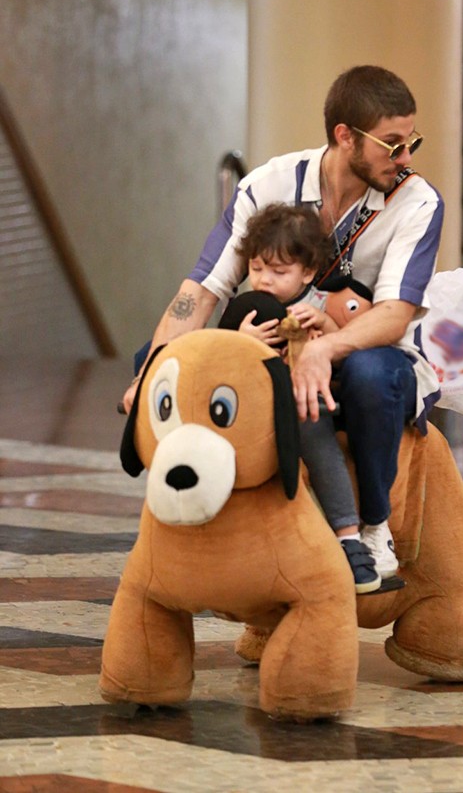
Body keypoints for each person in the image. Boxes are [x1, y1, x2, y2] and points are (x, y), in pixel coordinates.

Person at [123, 64, 444, 583]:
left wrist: (324, 348)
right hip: (275, 349)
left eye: (412, 142)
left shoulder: (417, 201)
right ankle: (183, 522)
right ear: (345, 137)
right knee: (161, 364)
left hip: (366, 354)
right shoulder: (269, 183)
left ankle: (372, 527)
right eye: (392, 145)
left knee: (370, 375)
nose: (406, 158)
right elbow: (203, 290)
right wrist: (151, 371)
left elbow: (394, 315)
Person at [218, 202, 382, 594]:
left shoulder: (322, 305)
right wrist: (241, 342)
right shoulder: (247, 309)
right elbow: (216, 354)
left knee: (313, 425)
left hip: (309, 403)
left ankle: (348, 537)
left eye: (278, 272)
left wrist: (325, 328)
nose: (264, 281)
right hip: (254, 407)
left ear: (307, 271)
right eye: (257, 269)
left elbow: (349, 353)